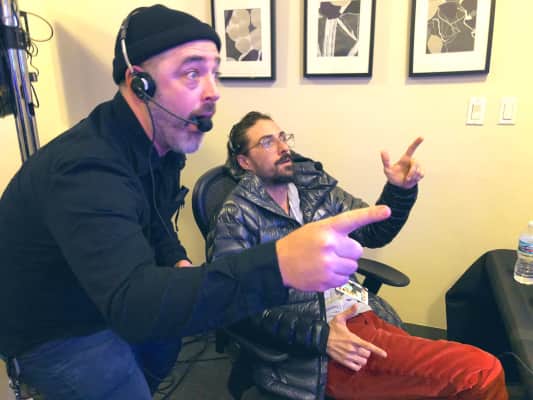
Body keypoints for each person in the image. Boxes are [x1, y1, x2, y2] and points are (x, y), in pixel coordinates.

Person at [0, 6, 392, 400]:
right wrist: (278, 264)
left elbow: (155, 220)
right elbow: (133, 304)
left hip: (110, 291)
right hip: (54, 326)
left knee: (164, 344)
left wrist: (177, 260)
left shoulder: (161, 148)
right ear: (139, 84)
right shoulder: (87, 168)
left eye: (213, 72)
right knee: (120, 381)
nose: (212, 91)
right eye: (191, 73)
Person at [207, 111, 508, 400]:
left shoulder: (313, 189)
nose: (283, 147)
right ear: (245, 161)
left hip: (359, 312)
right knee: (481, 372)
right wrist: (321, 336)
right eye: (267, 142)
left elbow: (374, 232)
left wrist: (399, 190)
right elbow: (233, 305)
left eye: (283, 137)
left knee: (450, 383)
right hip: (321, 349)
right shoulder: (236, 216)